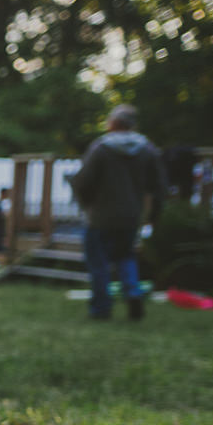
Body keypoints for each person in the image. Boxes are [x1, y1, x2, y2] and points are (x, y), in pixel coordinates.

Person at [70, 104, 166, 321]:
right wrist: (153, 215)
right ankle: (133, 294)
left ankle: (101, 309)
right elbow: (159, 186)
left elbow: (83, 181)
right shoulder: (147, 149)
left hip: (100, 216)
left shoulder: (101, 148)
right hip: (131, 216)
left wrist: (86, 205)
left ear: (112, 123)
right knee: (126, 257)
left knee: (99, 262)